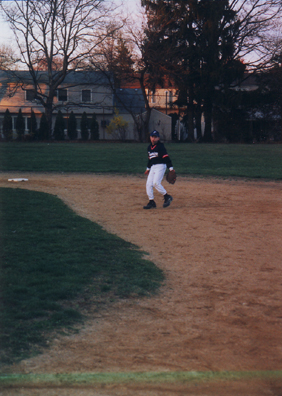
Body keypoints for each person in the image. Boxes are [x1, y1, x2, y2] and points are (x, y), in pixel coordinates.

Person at [143, 130, 174, 209]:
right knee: (148, 184)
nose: (153, 139)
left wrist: (171, 168)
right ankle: (151, 201)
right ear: (150, 137)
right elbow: (150, 159)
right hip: (153, 167)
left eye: (155, 137)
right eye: (152, 137)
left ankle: (167, 196)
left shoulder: (160, 147)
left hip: (161, 166)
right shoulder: (149, 147)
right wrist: (148, 168)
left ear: (158, 138)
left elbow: (166, 157)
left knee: (156, 183)